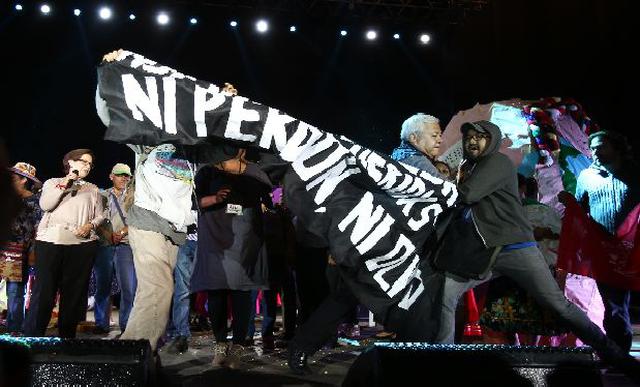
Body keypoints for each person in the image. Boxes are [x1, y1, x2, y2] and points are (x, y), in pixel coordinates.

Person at [434, 121, 638, 375]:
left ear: (493, 141)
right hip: (487, 249)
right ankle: (441, 360)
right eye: (469, 138)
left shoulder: (496, 162)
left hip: (515, 246)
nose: (472, 141)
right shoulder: (470, 166)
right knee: (446, 294)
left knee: (559, 306)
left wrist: (433, 179)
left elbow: (467, 195)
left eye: (480, 137)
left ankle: (614, 353)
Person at [190, 147, 272, 369]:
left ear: (241, 149)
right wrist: (215, 198)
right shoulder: (207, 172)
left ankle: (237, 347)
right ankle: (219, 346)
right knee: (216, 290)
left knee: (241, 292)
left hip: (244, 238)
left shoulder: (255, 173)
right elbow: (194, 202)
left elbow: (270, 200)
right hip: (215, 236)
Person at [567, 131, 640, 354]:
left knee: (620, 304)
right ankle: (618, 353)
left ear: (617, 147)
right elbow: (580, 211)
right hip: (605, 251)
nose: (595, 152)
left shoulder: (635, 173)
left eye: (601, 146)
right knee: (614, 305)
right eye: (593, 148)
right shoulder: (586, 177)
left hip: (635, 248)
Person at [24, 149, 104, 338]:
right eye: (83, 161)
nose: (87, 166)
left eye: (90, 164)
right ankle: (33, 336)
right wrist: (67, 180)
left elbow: (101, 215)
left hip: (81, 244)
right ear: (70, 162)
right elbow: (46, 205)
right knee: (44, 290)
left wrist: (90, 224)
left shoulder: (93, 189)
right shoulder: (52, 183)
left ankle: (66, 339)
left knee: (73, 293)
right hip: (51, 241)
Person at [92, 163, 136, 335]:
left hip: (126, 245)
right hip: (105, 245)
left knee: (128, 287)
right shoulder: (102, 195)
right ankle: (101, 323)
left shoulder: (134, 197)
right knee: (103, 286)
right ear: (111, 176)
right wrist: (108, 234)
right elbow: (94, 218)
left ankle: (126, 324)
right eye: (120, 175)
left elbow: (138, 219)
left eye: (127, 175)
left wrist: (122, 232)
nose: (124, 178)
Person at [0, 163, 42, 333]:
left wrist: (33, 251)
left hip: (18, 250)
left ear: (24, 180)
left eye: (14, 178)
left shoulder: (35, 202)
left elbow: (37, 229)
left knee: (15, 291)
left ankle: (14, 329)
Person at [164, 209, 197, 354]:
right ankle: (181, 332)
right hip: (182, 241)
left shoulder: (206, 188)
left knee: (210, 289)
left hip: (207, 241)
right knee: (183, 289)